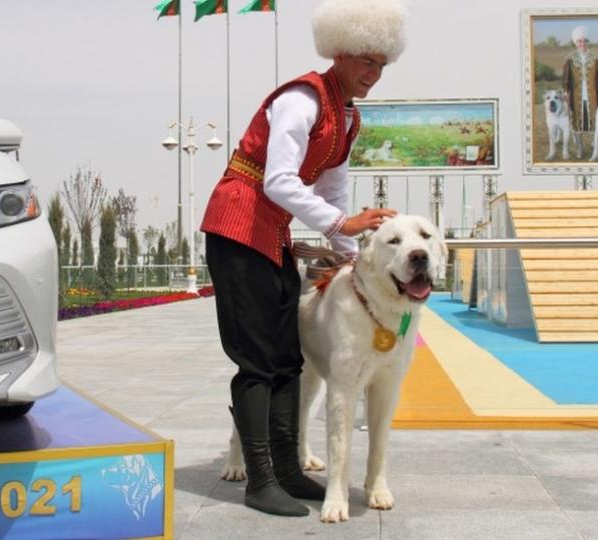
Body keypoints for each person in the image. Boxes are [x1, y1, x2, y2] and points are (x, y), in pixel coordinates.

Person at [199, 0, 407, 517]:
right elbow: (278, 181)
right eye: (365, 61)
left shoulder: (347, 116)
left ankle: (289, 469)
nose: (373, 74)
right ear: (338, 51)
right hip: (237, 225)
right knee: (257, 357)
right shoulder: (302, 98)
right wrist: (344, 226)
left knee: (289, 355)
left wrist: (349, 257)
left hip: (273, 234)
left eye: (382, 64)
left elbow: (334, 192)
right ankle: (260, 478)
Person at [562, 25, 598, 158]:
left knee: (597, 121)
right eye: (579, 41)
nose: (582, 44)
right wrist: (565, 92)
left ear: (588, 42)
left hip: (593, 94)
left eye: (585, 41)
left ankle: (596, 147)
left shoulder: (596, 57)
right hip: (576, 95)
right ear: (576, 43)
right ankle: (580, 148)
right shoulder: (569, 58)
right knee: (577, 121)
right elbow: (565, 78)